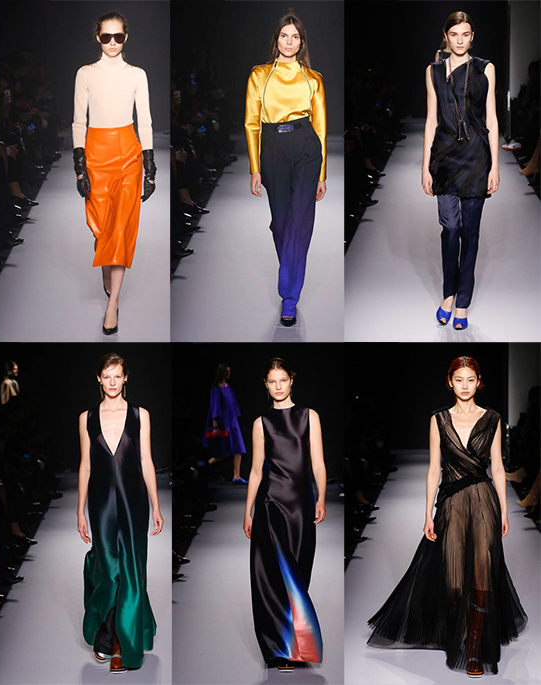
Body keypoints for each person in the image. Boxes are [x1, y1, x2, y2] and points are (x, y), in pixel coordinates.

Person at [368, 356, 527, 677]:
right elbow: (433, 469)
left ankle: (474, 647)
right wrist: (428, 513)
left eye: (470, 379)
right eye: (459, 380)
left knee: (483, 575)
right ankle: (456, 630)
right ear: (449, 382)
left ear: (479, 382)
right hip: (452, 503)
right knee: (454, 583)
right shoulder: (438, 419)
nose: (465, 386)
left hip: (483, 502)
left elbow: (497, 467)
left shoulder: (492, 419)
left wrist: (503, 508)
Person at [77, 353, 164, 673]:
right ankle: (115, 630)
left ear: (125, 378)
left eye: (117, 376)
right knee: (108, 569)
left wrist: (156, 505)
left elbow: (146, 461)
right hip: (100, 503)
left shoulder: (140, 415)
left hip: (133, 501)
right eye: (106, 376)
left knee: (130, 569)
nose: (112, 382)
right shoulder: (86, 418)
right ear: (98, 379)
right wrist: (79, 510)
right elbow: (85, 465)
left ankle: (116, 642)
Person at [72, 11, 156, 336]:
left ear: (125, 38)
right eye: (106, 36)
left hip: (128, 153)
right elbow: (79, 121)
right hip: (95, 152)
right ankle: (107, 268)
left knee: (121, 227)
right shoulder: (85, 74)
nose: (112, 42)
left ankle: (113, 304)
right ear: (98, 37)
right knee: (101, 226)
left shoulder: (137, 75)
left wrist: (149, 166)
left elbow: (145, 121)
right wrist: (80, 166)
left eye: (117, 36)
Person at [243, 358, 327, 672]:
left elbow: (318, 462)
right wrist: (248, 510)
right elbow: (255, 470)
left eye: (282, 380)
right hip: (271, 505)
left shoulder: (309, 416)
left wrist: (321, 496)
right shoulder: (260, 423)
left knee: (299, 573)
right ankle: (281, 648)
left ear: (291, 380)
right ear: (266, 386)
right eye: (272, 381)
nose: (278, 386)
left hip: (301, 505)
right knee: (273, 577)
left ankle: (297, 641)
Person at [245, 11, 327, 327]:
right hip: (273, 148)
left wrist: (322, 174)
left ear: (301, 42)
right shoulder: (259, 75)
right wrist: (255, 168)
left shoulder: (313, 79)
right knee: (281, 224)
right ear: (276, 39)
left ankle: (289, 296)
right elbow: (251, 123)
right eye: (284, 36)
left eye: (295, 37)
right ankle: (290, 275)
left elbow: (320, 127)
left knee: (299, 222)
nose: (289, 42)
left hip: (306, 147)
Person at [422, 12, 499, 331]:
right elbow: (431, 119)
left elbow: (492, 118)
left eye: (465, 34)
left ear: (472, 36)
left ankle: (461, 302)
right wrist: (425, 166)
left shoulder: (485, 68)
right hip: (444, 158)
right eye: (454, 34)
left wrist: (495, 166)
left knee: (470, 232)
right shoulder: (433, 71)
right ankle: (448, 294)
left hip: (476, 157)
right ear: (446, 35)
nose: (460, 40)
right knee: (450, 228)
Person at [204, 363, 248, 483]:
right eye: (226, 372)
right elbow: (214, 406)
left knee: (238, 449)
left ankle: (237, 476)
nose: (228, 374)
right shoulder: (216, 388)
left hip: (233, 421)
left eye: (229, 372)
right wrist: (215, 424)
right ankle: (203, 468)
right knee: (223, 452)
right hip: (224, 422)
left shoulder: (227, 387)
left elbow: (232, 405)